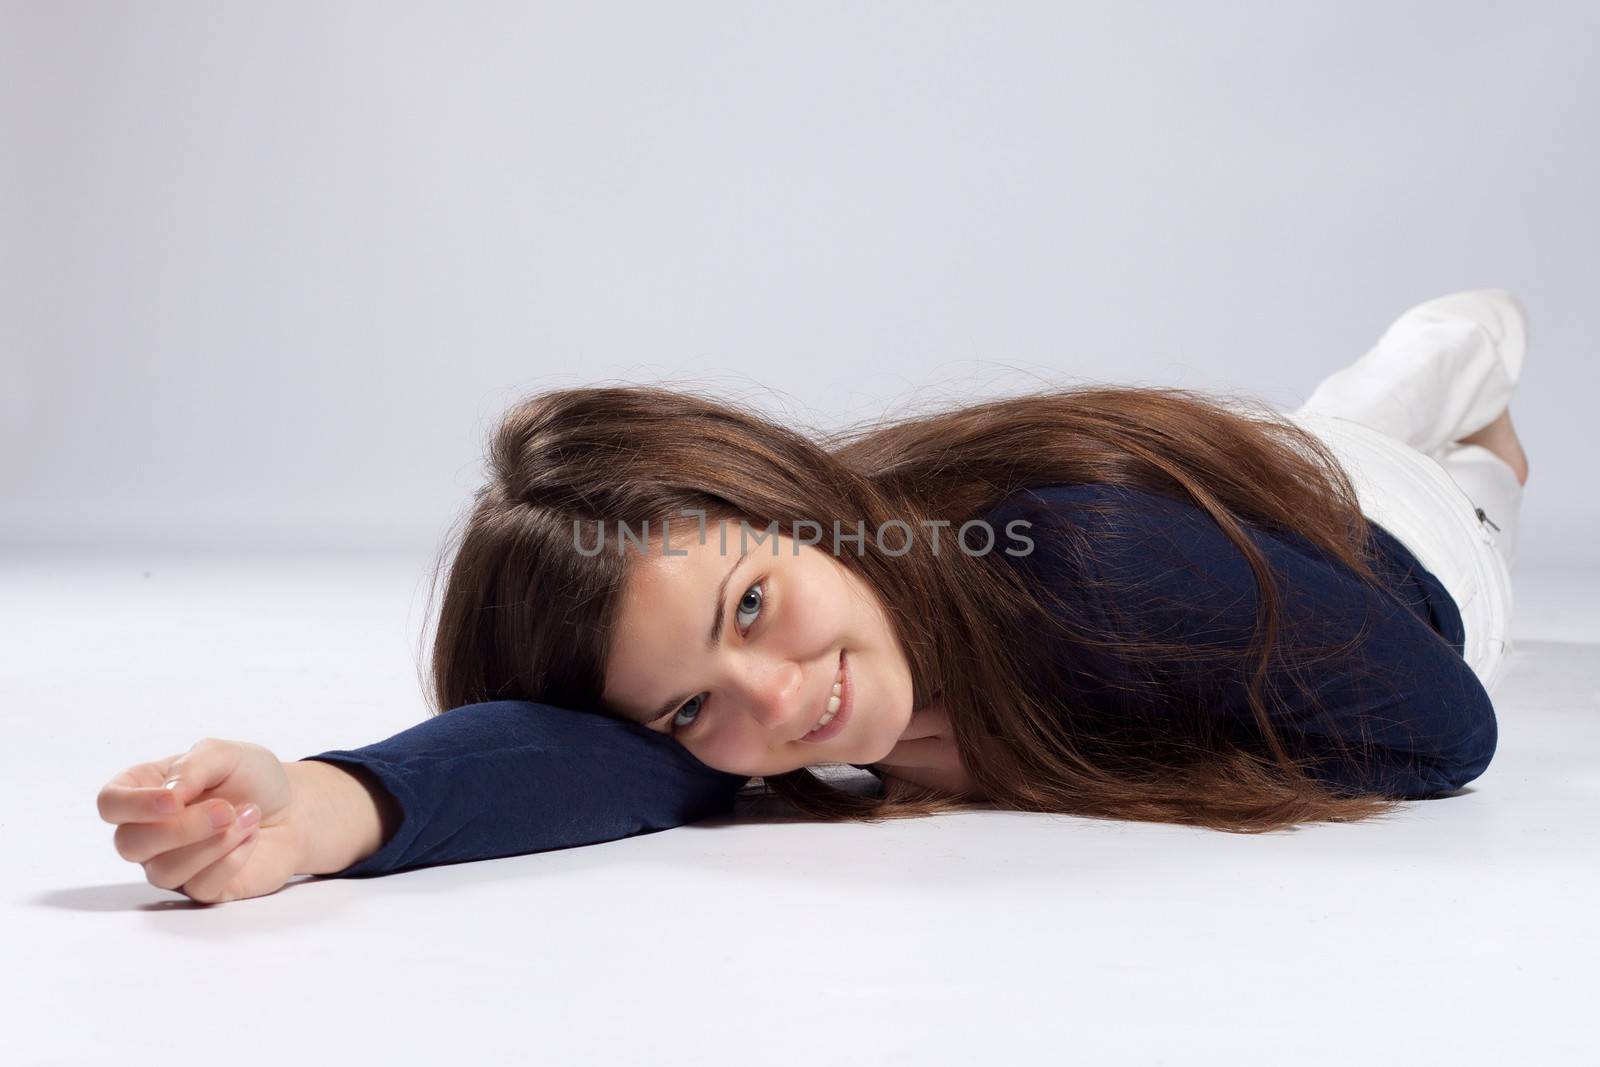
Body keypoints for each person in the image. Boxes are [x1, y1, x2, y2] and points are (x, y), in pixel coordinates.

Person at [95, 289, 1531, 904]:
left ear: (806, 514)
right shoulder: (742, 707)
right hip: (1247, 538)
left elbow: (1444, 735)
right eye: (692, 703)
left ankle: (1466, 394)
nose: (781, 700)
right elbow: (578, 756)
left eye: (751, 608)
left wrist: (1016, 763)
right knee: (1322, 432)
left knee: (1422, 434)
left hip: (1399, 561)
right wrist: (324, 809)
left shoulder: (1087, 563)